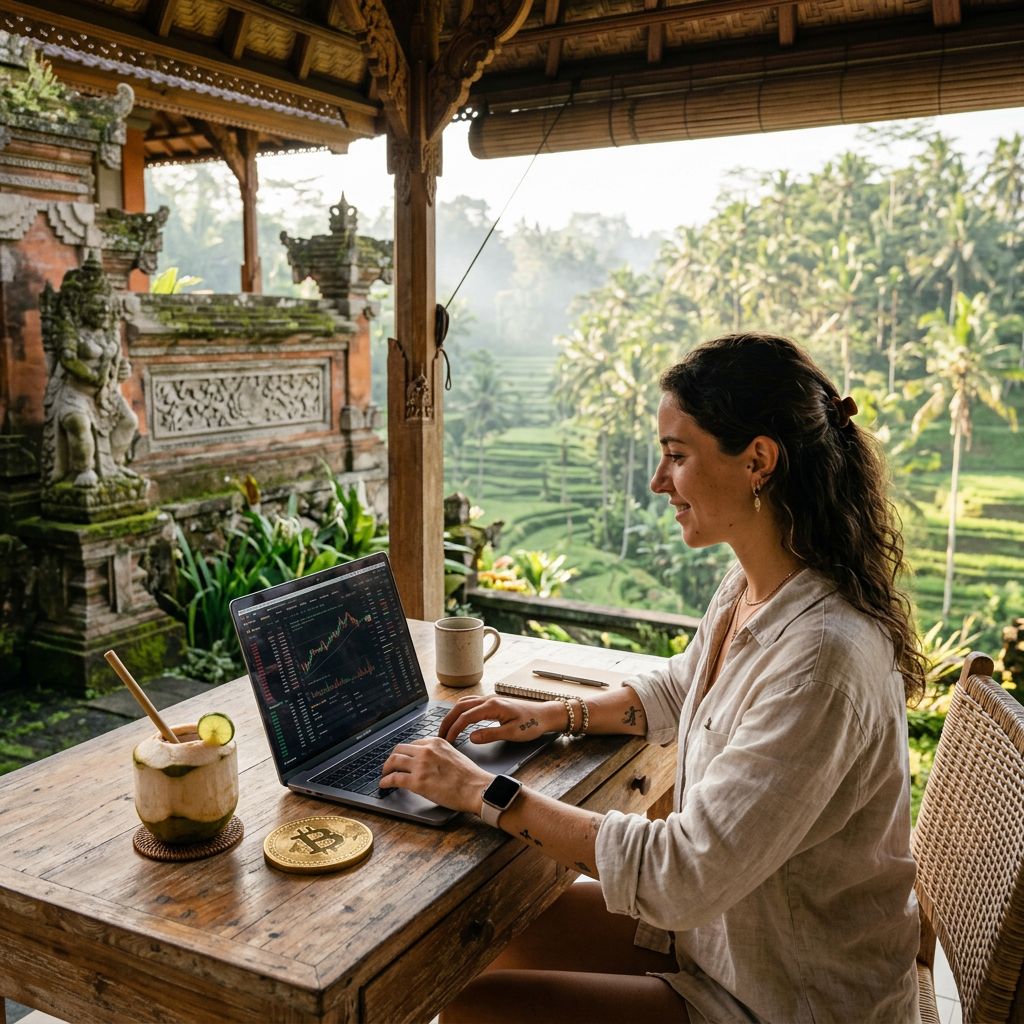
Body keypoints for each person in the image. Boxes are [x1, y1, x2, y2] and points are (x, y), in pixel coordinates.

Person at [381, 332, 927, 1024]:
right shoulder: (755, 586)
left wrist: (479, 789)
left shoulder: (821, 657)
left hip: (788, 996)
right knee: (472, 936)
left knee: (477, 1010)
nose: (658, 481)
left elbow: (679, 874)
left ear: (758, 461)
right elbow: (686, 685)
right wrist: (551, 716)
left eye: (677, 456)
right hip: (725, 939)